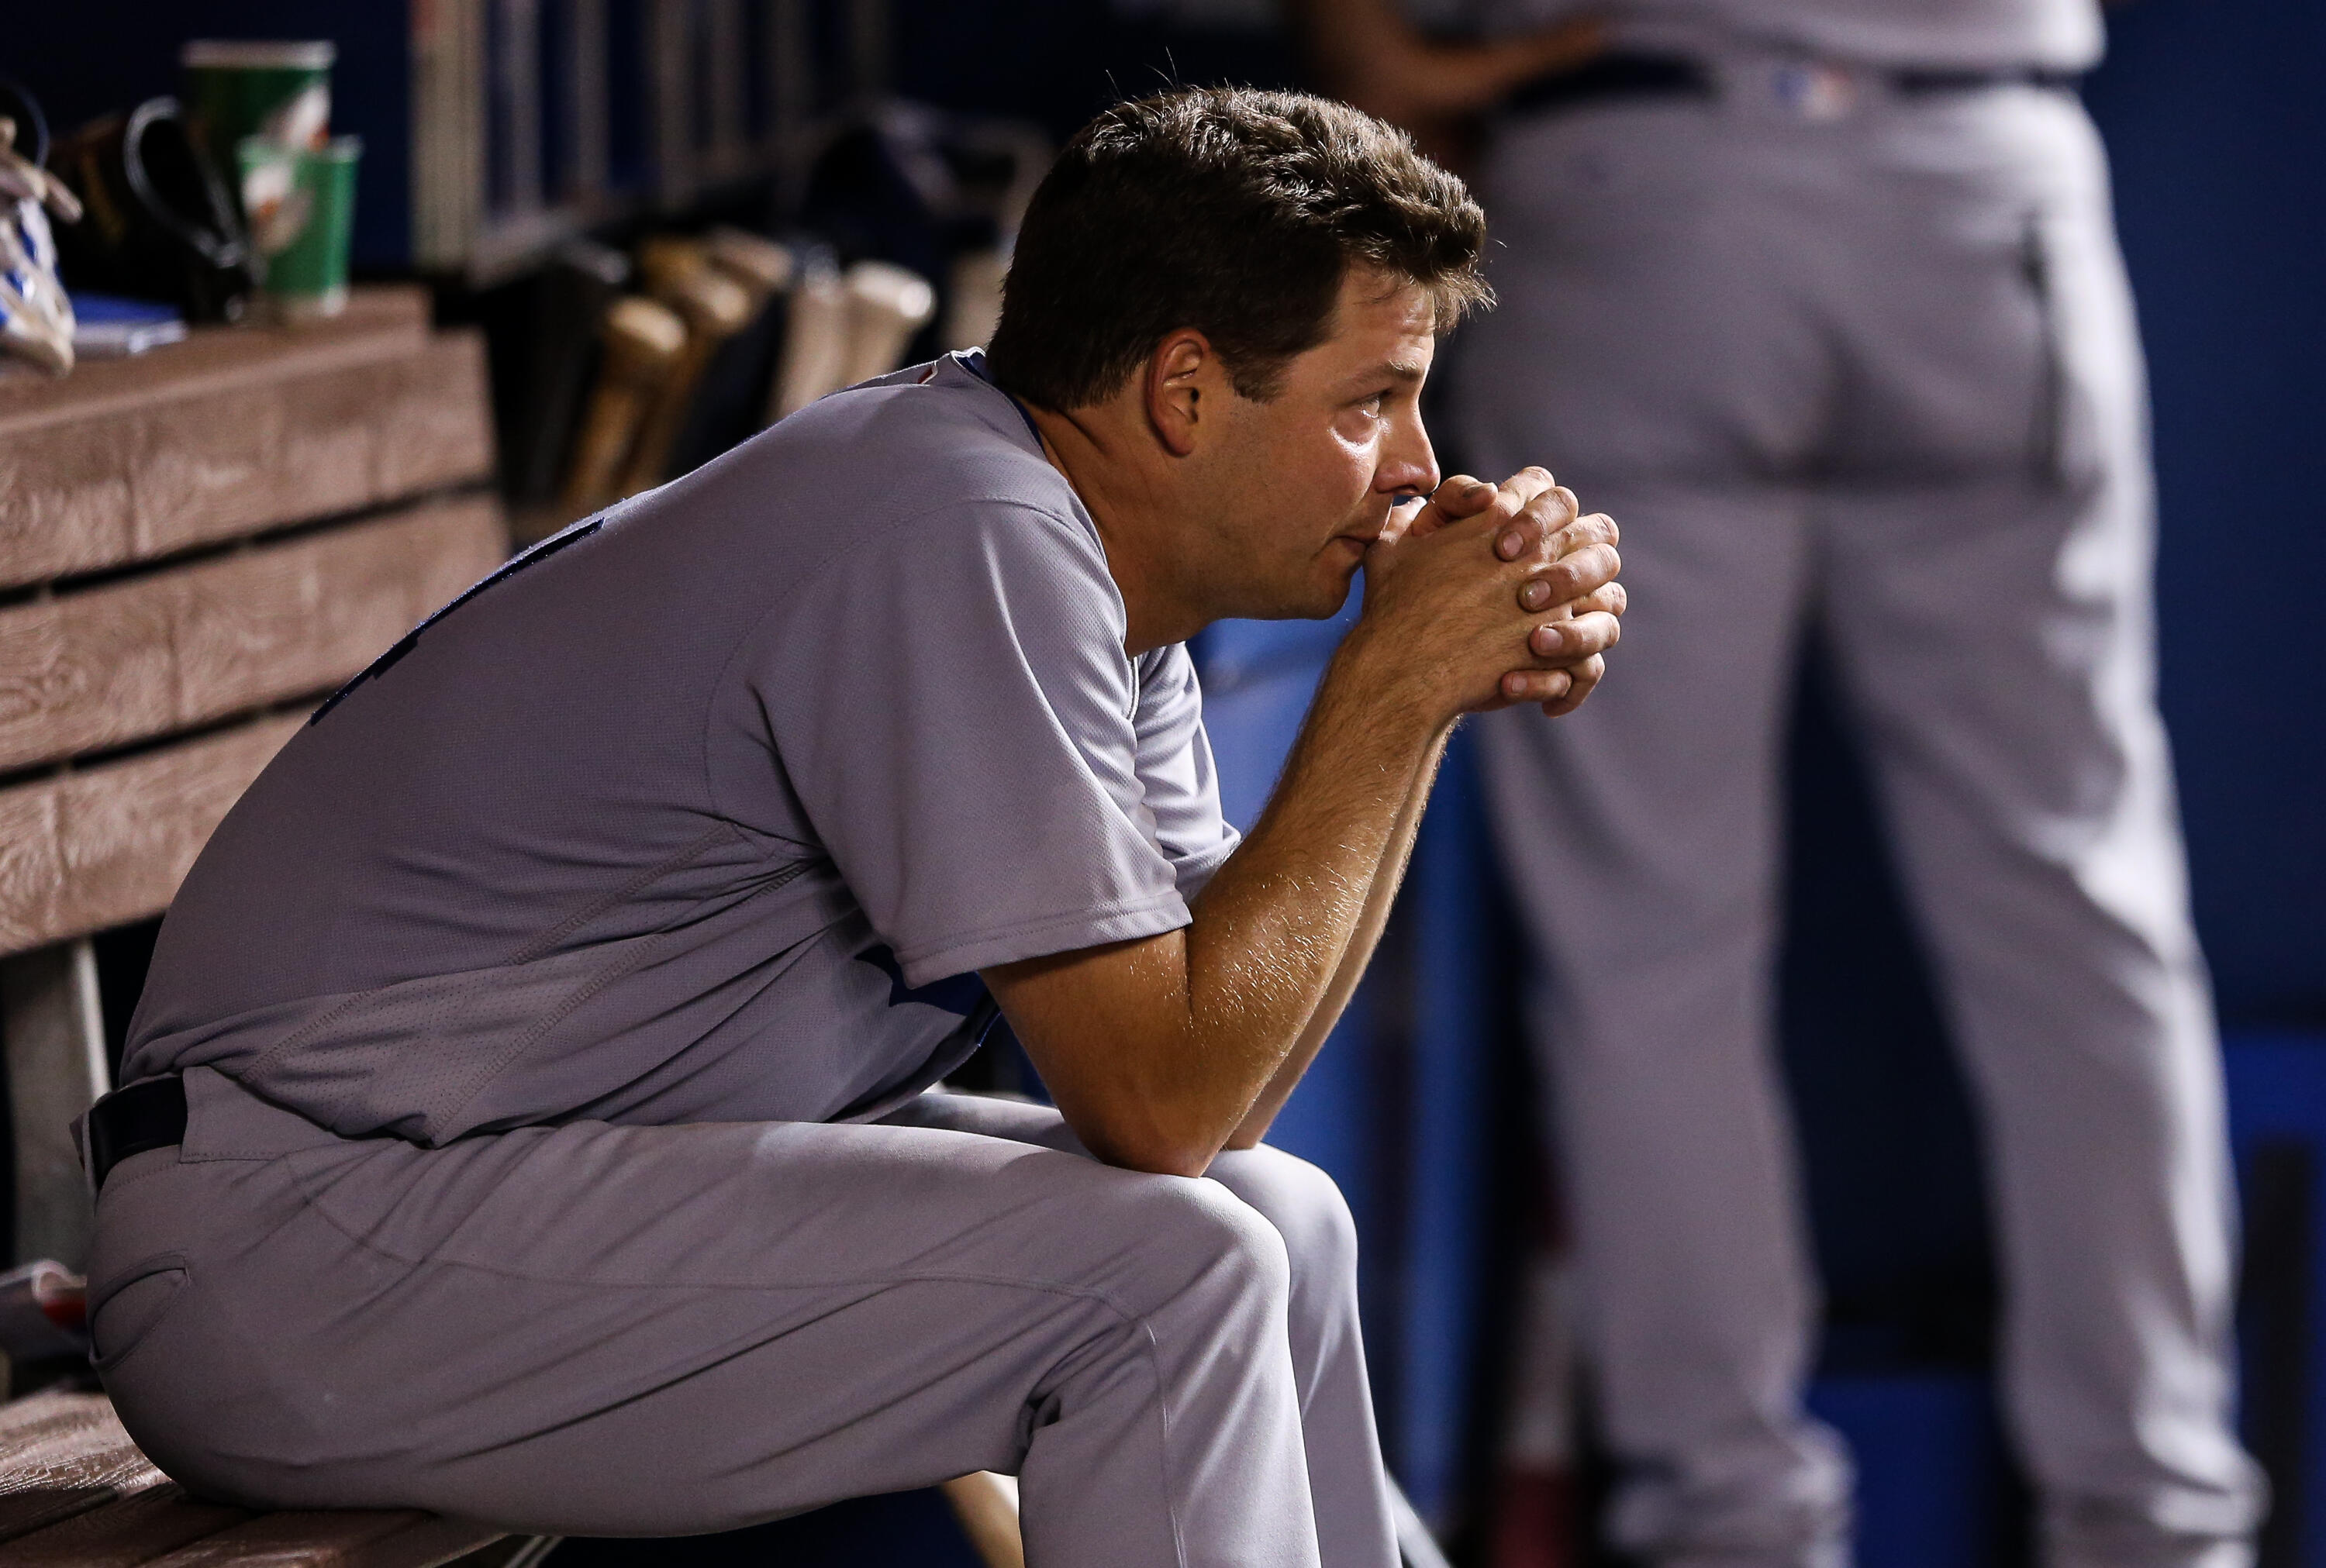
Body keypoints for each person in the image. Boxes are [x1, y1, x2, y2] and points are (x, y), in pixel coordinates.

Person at [78, 88, 1624, 1568]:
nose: (1421, 468)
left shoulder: (1085, 561)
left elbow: (1221, 1098)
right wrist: (1392, 687)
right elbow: (1155, 1098)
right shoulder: (964, 530)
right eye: (1372, 400)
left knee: (1276, 1218)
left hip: (466, 1194)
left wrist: (1419, 691)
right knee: (1174, 1278)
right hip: (298, 1241)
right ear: (1186, 390)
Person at [1297, 3, 2264, 1566]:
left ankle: (1731, 1529)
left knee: (1649, 943)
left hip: (1640, 175)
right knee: (2079, 911)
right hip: (1978, 174)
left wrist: (1379, 56)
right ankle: (2161, 1522)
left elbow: (1383, 48)